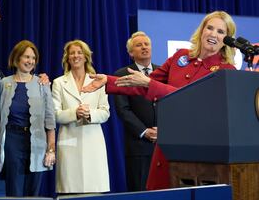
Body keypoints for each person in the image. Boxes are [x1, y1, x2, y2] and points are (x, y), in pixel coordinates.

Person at [82, 11, 237, 190]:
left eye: (220, 32)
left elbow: (195, 100)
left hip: (198, 150)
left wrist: (149, 83)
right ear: (202, 30)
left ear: (227, 39)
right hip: (166, 145)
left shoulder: (227, 70)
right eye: (209, 28)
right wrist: (109, 81)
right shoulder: (181, 57)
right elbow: (143, 85)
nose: (213, 34)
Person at [0, 40, 56, 197]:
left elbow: (50, 120)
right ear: (17, 58)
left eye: (33, 58)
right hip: (12, 140)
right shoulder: (4, 83)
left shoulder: (42, 83)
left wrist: (51, 149)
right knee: (14, 189)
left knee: (33, 191)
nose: (30, 61)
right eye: (26, 57)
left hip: (37, 141)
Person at [52, 39, 110, 194]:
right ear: (67, 58)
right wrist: (74, 113)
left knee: (94, 191)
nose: (75, 56)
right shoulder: (59, 83)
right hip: (69, 141)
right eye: (72, 53)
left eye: (79, 52)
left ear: (85, 57)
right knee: (70, 190)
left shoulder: (98, 81)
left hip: (93, 141)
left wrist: (90, 113)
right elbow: (55, 114)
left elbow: (105, 112)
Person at [114, 31, 159, 191]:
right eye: (139, 45)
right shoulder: (122, 75)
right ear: (131, 53)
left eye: (146, 44)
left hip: (163, 145)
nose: (144, 47)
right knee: (140, 191)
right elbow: (123, 110)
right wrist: (144, 131)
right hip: (138, 146)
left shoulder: (162, 73)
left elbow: (171, 103)